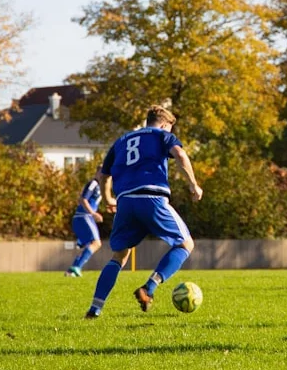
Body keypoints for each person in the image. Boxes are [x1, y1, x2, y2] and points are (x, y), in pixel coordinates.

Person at [86, 106, 202, 317]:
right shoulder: (162, 136)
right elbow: (181, 154)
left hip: (125, 202)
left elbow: (104, 175)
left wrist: (109, 198)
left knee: (119, 256)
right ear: (166, 125)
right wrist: (193, 184)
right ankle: (149, 287)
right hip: (152, 198)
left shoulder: (122, 140)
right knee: (186, 243)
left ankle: (95, 308)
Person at [66, 170, 104, 277]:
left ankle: (71, 271)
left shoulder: (101, 187)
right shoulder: (94, 183)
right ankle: (77, 267)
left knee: (90, 244)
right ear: (97, 172)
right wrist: (93, 213)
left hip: (85, 217)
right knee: (96, 243)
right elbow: (83, 199)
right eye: (101, 172)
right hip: (84, 216)